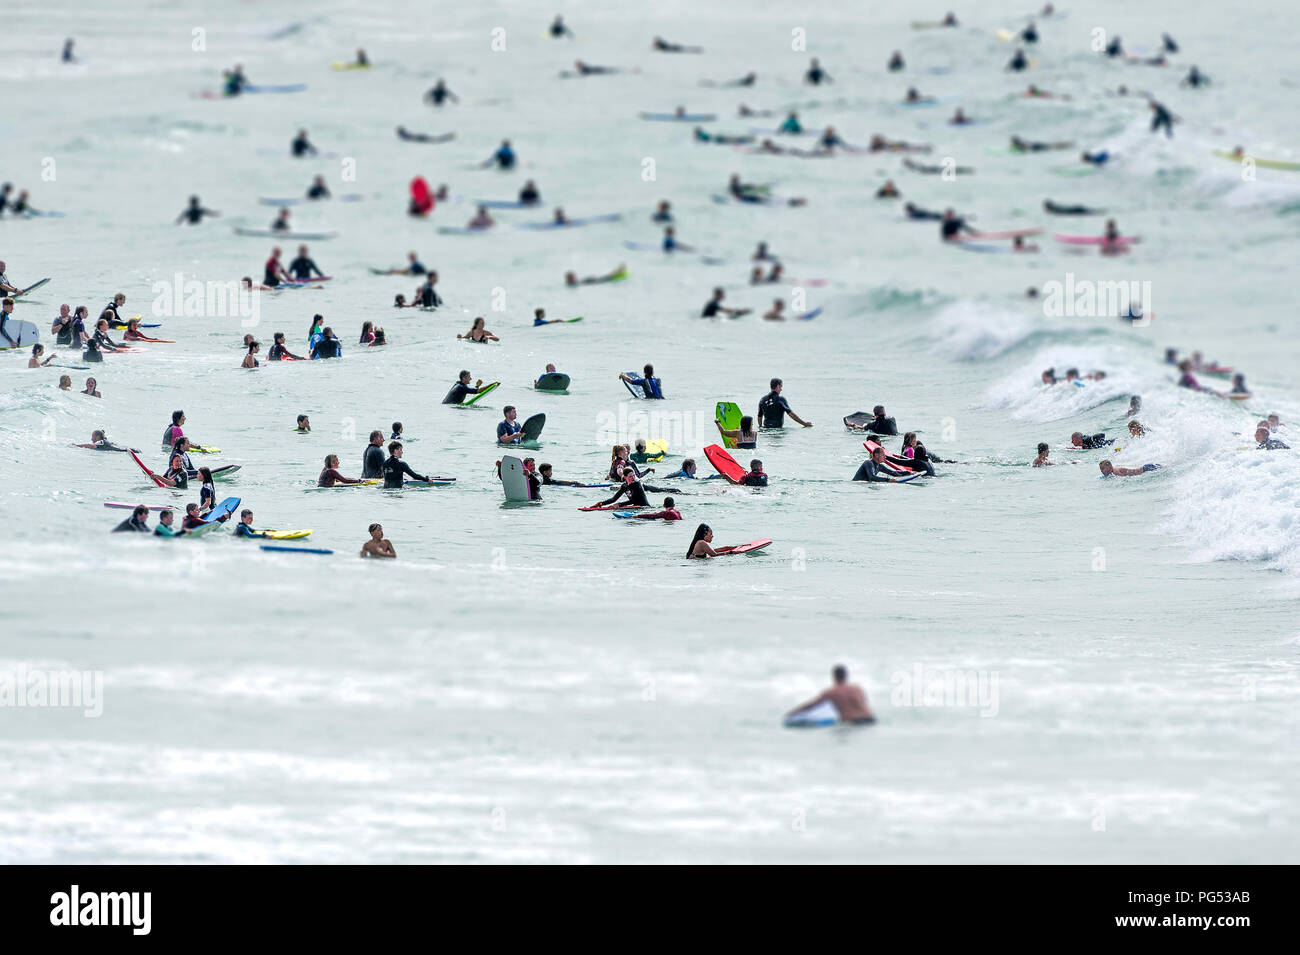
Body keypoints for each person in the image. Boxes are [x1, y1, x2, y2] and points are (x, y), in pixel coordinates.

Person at [786, 666, 875, 724]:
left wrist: (792, 713)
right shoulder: (858, 688)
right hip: (870, 719)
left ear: (834, 677)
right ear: (846, 676)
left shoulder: (831, 693)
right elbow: (865, 702)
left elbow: (812, 705)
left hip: (853, 723)